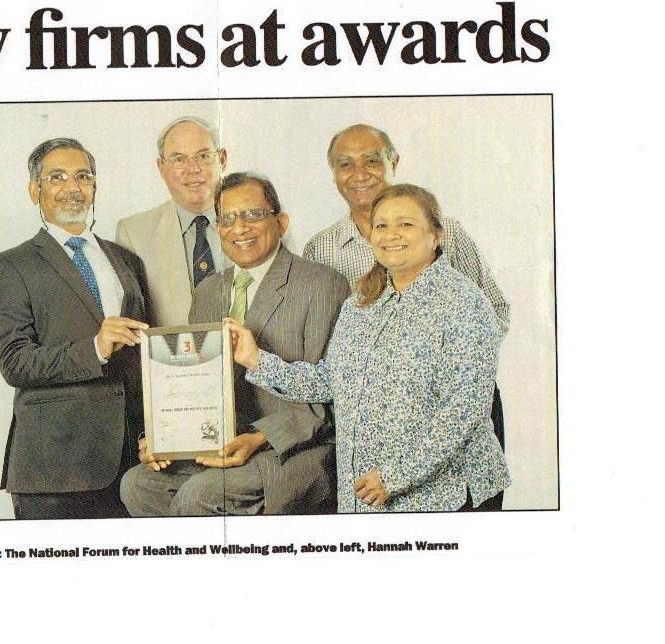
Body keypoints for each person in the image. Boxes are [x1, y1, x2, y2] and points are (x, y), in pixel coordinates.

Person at [228, 184, 510, 512]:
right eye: (381, 225)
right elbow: (331, 381)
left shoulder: (464, 303)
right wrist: (255, 359)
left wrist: (394, 477)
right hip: (368, 496)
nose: (391, 235)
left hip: (446, 497)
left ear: (436, 235)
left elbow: (463, 411)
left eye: (406, 224)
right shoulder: (361, 302)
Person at [302, 123, 510, 508]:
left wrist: (451, 369)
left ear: (393, 162)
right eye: (345, 164)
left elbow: (491, 314)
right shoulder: (325, 253)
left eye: (371, 160)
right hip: (369, 447)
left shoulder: (454, 258)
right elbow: (331, 368)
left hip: (451, 438)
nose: (359, 174)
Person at [120, 172, 349, 516]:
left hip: (292, 446)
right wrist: (163, 436)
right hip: (222, 441)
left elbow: (331, 394)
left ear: (281, 222)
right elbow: (192, 386)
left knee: (198, 496)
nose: (239, 228)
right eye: (227, 219)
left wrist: (258, 438)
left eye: (253, 214)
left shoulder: (322, 284)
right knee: (137, 485)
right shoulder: (208, 291)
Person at [0, 138, 151, 520]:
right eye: (57, 177)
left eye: (83, 177)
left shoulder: (127, 261)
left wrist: (154, 433)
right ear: (34, 190)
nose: (72, 188)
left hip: (130, 464)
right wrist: (95, 348)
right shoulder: (9, 266)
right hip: (53, 470)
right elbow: (15, 363)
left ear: (95, 187)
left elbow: (143, 359)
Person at [115, 116, 228, 326]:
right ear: (161, 168)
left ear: (222, 160)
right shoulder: (133, 234)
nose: (193, 169)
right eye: (178, 159)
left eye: (203, 156)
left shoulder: (257, 223)